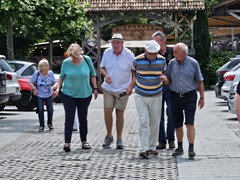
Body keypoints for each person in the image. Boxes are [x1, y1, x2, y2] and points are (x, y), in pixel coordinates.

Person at [53, 43, 98, 152]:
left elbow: (92, 75)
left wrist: (95, 89)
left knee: (83, 118)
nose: (73, 59)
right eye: (71, 56)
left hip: (84, 94)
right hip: (68, 94)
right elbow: (61, 78)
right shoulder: (66, 63)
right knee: (69, 118)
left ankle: (84, 141)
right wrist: (58, 88)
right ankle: (67, 142)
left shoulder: (87, 60)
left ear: (80, 53)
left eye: (75, 56)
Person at [164, 42, 205, 158]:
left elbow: (200, 81)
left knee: (189, 122)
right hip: (175, 96)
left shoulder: (193, 63)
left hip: (190, 96)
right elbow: (168, 79)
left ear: (183, 53)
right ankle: (180, 147)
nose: (173, 54)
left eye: (176, 52)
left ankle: (191, 148)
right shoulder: (171, 63)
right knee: (177, 123)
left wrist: (202, 98)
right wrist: (164, 79)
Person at [131, 40, 168, 158]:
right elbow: (133, 72)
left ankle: (152, 147)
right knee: (143, 121)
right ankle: (144, 148)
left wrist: (164, 79)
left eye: (154, 53)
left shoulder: (162, 60)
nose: (152, 56)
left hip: (156, 94)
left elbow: (164, 73)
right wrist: (134, 84)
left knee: (155, 122)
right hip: (140, 94)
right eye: (150, 53)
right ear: (145, 51)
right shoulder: (137, 60)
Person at [100, 33, 135, 149]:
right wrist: (106, 75)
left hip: (123, 89)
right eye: (113, 42)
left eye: (117, 42)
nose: (115, 45)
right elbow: (102, 67)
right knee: (107, 111)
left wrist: (130, 87)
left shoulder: (129, 55)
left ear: (122, 43)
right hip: (109, 88)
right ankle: (109, 135)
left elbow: (135, 73)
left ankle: (119, 139)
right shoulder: (107, 52)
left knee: (119, 113)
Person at [152, 31, 175, 150]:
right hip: (157, 88)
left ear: (163, 42)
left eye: (156, 42)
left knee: (171, 113)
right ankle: (161, 141)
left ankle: (171, 139)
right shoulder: (152, 54)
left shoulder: (173, 52)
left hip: (171, 88)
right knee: (158, 115)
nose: (154, 44)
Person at [29, 58, 56, 132]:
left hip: (49, 94)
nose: (49, 66)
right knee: (40, 109)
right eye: (47, 65)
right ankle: (41, 125)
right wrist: (34, 88)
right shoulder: (37, 73)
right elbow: (30, 82)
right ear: (43, 67)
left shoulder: (50, 73)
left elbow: (55, 82)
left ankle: (50, 123)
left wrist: (54, 86)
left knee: (50, 110)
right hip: (40, 95)